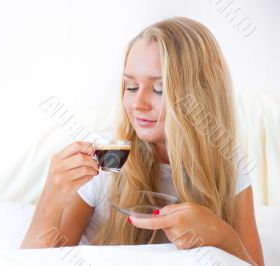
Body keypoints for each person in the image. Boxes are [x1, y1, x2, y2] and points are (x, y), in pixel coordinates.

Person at [20, 17, 264, 265]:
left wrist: (222, 236)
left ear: (200, 96)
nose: (138, 104)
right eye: (131, 86)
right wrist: (51, 198)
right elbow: (38, 260)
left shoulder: (228, 164)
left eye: (159, 89)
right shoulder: (105, 161)